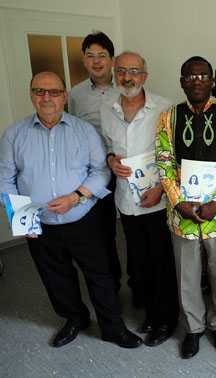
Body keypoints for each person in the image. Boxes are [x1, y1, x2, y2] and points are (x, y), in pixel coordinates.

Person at [0, 72, 142, 348]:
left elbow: (101, 171)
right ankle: (75, 318)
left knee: (99, 275)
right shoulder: (13, 135)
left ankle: (112, 327)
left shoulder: (84, 130)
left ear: (65, 96)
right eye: (39, 91)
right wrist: (22, 219)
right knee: (55, 277)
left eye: (53, 92)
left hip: (82, 218)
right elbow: (5, 179)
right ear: (31, 95)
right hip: (38, 222)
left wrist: (77, 197)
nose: (46, 97)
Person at [155, 56, 216, 359]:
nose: (197, 81)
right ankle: (193, 328)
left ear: (212, 81)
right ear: (182, 81)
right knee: (187, 275)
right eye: (190, 77)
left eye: (203, 76)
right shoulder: (169, 116)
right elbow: (164, 161)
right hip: (183, 213)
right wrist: (178, 200)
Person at [100, 51, 179, 347]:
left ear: (145, 76)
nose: (127, 77)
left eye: (134, 71)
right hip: (126, 201)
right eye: (121, 70)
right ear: (114, 73)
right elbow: (106, 146)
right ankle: (150, 312)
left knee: (162, 263)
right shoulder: (107, 108)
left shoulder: (164, 108)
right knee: (140, 263)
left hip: (157, 199)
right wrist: (109, 159)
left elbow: (174, 155)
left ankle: (166, 320)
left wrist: (161, 187)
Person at [68, 31, 121, 291]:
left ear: (111, 59)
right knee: (102, 230)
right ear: (84, 60)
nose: (97, 61)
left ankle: (137, 283)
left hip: (123, 166)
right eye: (91, 56)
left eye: (102, 55)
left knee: (134, 229)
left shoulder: (125, 88)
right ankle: (111, 281)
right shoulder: (75, 94)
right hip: (93, 171)